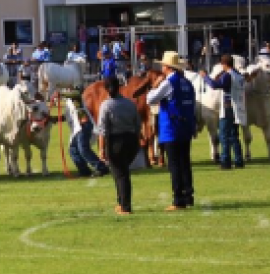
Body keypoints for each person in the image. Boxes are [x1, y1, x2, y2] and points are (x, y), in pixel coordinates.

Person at [147, 51, 197, 211]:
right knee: (185, 163)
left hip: (171, 127)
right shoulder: (187, 82)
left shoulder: (169, 83)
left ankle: (178, 199)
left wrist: (155, 85)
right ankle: (188, 195)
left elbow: (150, 99)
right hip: (186, 127)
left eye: (163, 65)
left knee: (174, 165)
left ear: (167, 67)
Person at [97, 76, 141, 215]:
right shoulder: (130, 104)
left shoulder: (106, 105)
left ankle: (126, 206)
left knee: (121, 174)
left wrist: (101, 148)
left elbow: (102, 130)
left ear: (106, 89)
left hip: (115, 142)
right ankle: (121, 202)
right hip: (131, 140)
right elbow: (138, 125)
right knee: (120, 172)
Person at [200, 54, 246, 170]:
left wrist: (205, 77)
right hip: (238, 106)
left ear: (224, 64)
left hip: (227, 107)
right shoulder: (239, 75)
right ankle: (238, 160)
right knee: (234, 135)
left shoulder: (227, 75)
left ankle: (225, 161)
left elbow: (215, 85)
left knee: (224, 135)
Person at [66, 98, 107, 178]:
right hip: (76, 128)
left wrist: (60, 93)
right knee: (73, 150)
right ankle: (84, 171)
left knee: (83, 149)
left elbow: (75, 94)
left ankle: (101, 168)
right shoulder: (68, 101)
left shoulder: (75, 95)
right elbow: (71, 115)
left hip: (83, 125)